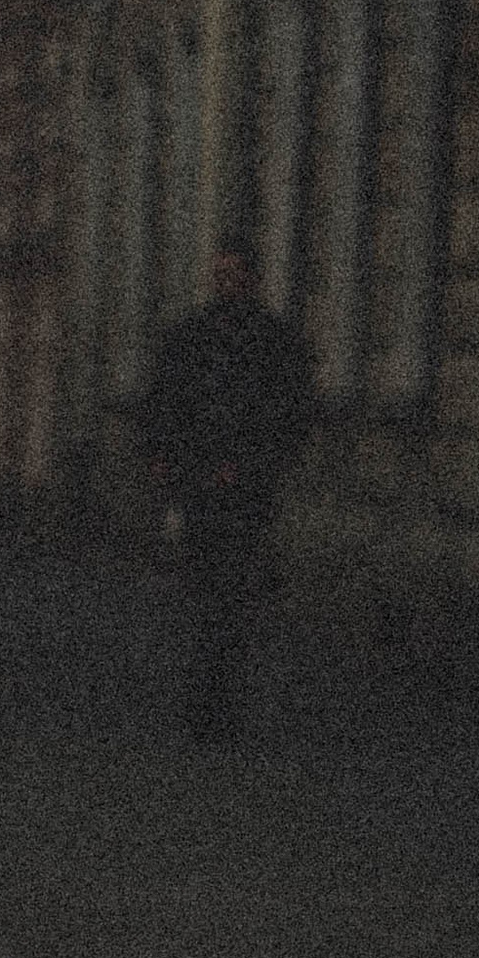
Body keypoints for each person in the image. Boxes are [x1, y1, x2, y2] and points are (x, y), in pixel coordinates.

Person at [141, 239, 315, 740]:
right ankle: (206, 696)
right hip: (199, 489)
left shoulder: (273, 341)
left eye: (234, 274)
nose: (225, 283)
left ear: (251, 279)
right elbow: (164, 404)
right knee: (204, 592)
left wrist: (248, 467)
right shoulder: (190, 337)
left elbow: (287, 416)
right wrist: (165, 462)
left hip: (246, 494)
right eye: (219, 274)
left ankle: (220, 700)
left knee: (233, 595)